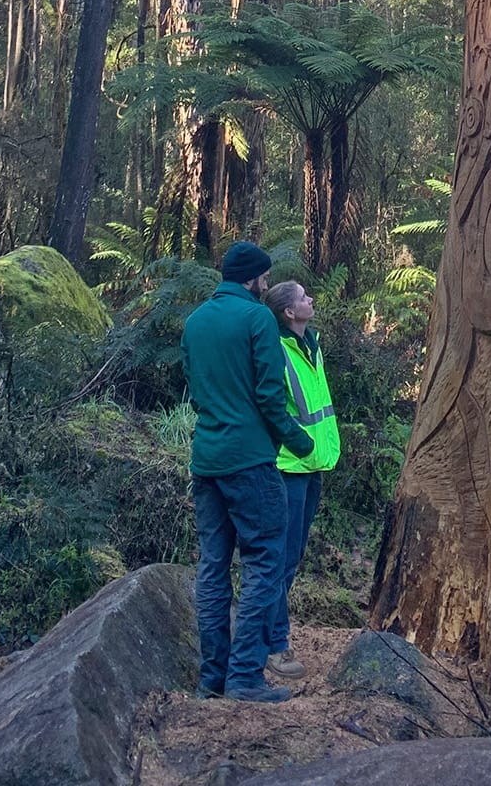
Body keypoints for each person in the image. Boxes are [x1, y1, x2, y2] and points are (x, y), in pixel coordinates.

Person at [180, 240, 314, 703]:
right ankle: (245, 679)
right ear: (256, 279)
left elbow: (195, 392)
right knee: (264, 562)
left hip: (206, 461)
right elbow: (271, 398)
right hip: (251, 462)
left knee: (213, 567)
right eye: (265, 277)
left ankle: (211, 679)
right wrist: (299, 441)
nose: (267, 284)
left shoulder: (195, 322)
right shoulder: (258, 318)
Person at [262, 280, 340, 681]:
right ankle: (274, 644)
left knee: (292, 558)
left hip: (312, 466)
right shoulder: (277, 349)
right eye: (304, 297)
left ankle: (265, 632)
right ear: (289, 312)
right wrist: (302, 443)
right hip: (289, 466)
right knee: (281, 558)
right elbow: (272, 407)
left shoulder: (311, 345)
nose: (311, 299)